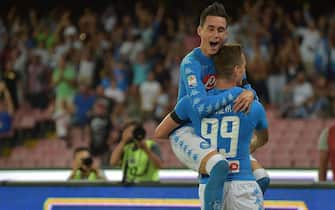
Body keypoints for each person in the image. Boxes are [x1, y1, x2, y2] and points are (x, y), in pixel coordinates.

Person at [165, 1, 269, 206]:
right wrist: (237, 93)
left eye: (221, 30)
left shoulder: (227, 58)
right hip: (190, 129)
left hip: (214, 129)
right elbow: (202, 107)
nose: (216, 35)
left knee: (261, 176)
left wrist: (249, 93)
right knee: (220, 166)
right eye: (211, 29)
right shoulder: (191, 62)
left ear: (226, 34)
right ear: (200, 31)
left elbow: (247, 88)